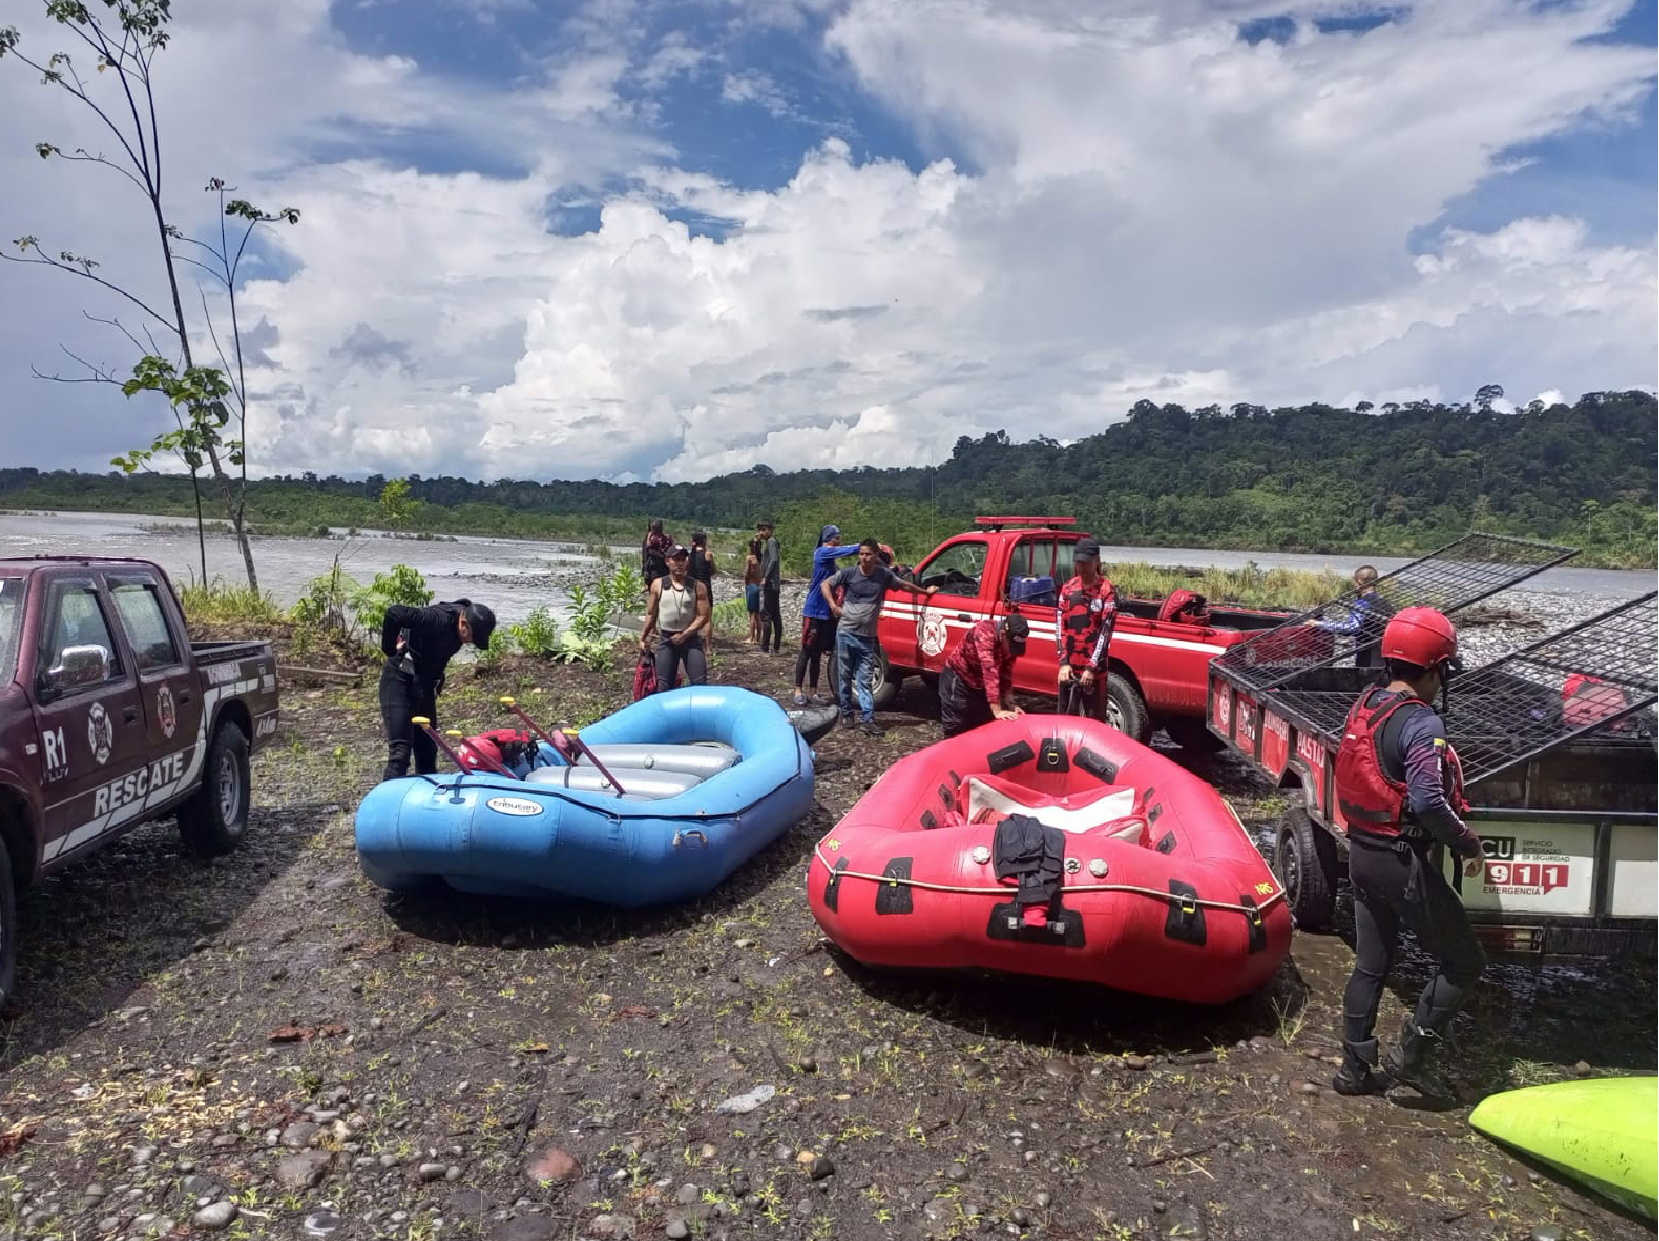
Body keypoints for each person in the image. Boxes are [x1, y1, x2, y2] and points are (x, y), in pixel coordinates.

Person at [1331, 606, 1486, 1102]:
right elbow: (1426, 801)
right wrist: (1466, 842)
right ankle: (1410, 1061)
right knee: (1464, 961)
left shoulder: (1368, 704)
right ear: (1435, 668)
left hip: (1362, 854)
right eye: (1444, 671)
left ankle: (1353, 1072)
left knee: (1371, 964)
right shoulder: (1422, 725)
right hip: (1402, 862)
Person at [824, 538, 938, 735]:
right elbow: (825, 584)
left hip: (867, 638)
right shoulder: (850, 573)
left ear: (876, 556)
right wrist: (833, 605)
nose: (864, 558)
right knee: (844, 676)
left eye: (868, 554)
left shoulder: (883, 575)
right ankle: (847, 712)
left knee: (865, 678)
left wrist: (925, 593)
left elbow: (904, 586)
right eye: (861, 554)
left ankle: (868, 718)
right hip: (846, 633)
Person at [378, 598, 496, 781]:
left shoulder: (463, 620)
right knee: (400, 752)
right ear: (463, 623)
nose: (470, 642)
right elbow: (395, 613)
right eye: (472, 637)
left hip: (422, 685)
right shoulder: (437, 619)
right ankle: (385, 805)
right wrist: (389, 649)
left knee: (427, 748)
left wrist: (437, 677)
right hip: (398, 679)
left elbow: (438, 651)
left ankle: (427, 803)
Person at [793, 524, 859, 707]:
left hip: (827, 612)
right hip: (813, 610)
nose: (838, 541)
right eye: (835, 538)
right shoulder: (822, 552)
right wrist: (864, 547)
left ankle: (813, 691)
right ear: (828, 539)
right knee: (806, 651)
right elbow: (846, 551)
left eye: (839, 538)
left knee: (817, 654)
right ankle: (798, 690)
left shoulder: (831, 562)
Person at [1054, 538, 1118, 719]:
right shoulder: (1068, 588)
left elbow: (1105, 634)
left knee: (1094, 721)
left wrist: (1091, 667)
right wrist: (1063, 663)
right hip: (1068, 668)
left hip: (1094, 671)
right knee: (1065, 720)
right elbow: (1060, 628)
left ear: (1097, 561)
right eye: (1079, 563)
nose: (1082, 567)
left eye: (1086, 563)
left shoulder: (1107, 591)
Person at [939, 615, 1029, 737]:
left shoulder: (1011, 647)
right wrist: (997, 710)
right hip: (959, 677)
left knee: (981, 726)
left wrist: (1011, 704)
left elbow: (1006, 674)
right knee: (955, 726)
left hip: (980, 685)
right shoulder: (984, 632)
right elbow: (989, 670)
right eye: (1011, 645)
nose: (1012, 651)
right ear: (1002, 634)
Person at [640, 545, 711, 691]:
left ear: (687, 562)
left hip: (690, 639)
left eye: (683, 559)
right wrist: (643, 637)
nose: (680, 563)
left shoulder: (698, 586)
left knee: (699, 682)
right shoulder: (658, 585)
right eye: (676, 559)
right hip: (667, 640)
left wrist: (685, 634)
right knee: (664, 685)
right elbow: (651, 613)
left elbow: (703, 616)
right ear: (667, 561)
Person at [1309, 565, 1394, 670]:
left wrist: (1319, 624)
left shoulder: (1363, 603)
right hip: (1386, 654)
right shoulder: (1385, 602)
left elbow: (1352, 627)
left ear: (1358, 581)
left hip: (1368, 655)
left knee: (1368, 683)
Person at [757, 519, 783, 654]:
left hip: (770, 584)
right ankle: (776, 646)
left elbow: (773, 559)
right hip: (774, 584)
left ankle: (765, 646)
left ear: (768, 529)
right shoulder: (770, 542)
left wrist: (765, 577)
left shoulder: (771, 542)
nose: (760, 533)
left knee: (766, 615)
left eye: (762, 530)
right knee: (775, 615)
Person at [641, 518, 674, 588]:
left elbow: (645, 556)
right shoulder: (667, 538)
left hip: (654, 569)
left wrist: (645, 572)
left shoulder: (649, 539)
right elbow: (672, 550)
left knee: (654, 590)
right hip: (664, 569)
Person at [744, 538, 763, 645]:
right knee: (758, 614)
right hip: (759, 586)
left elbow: (747, 572)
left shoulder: (750, 558)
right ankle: (758, 638)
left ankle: (751, 638)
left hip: (751, 586)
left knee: (752, 614)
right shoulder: (761, 558)